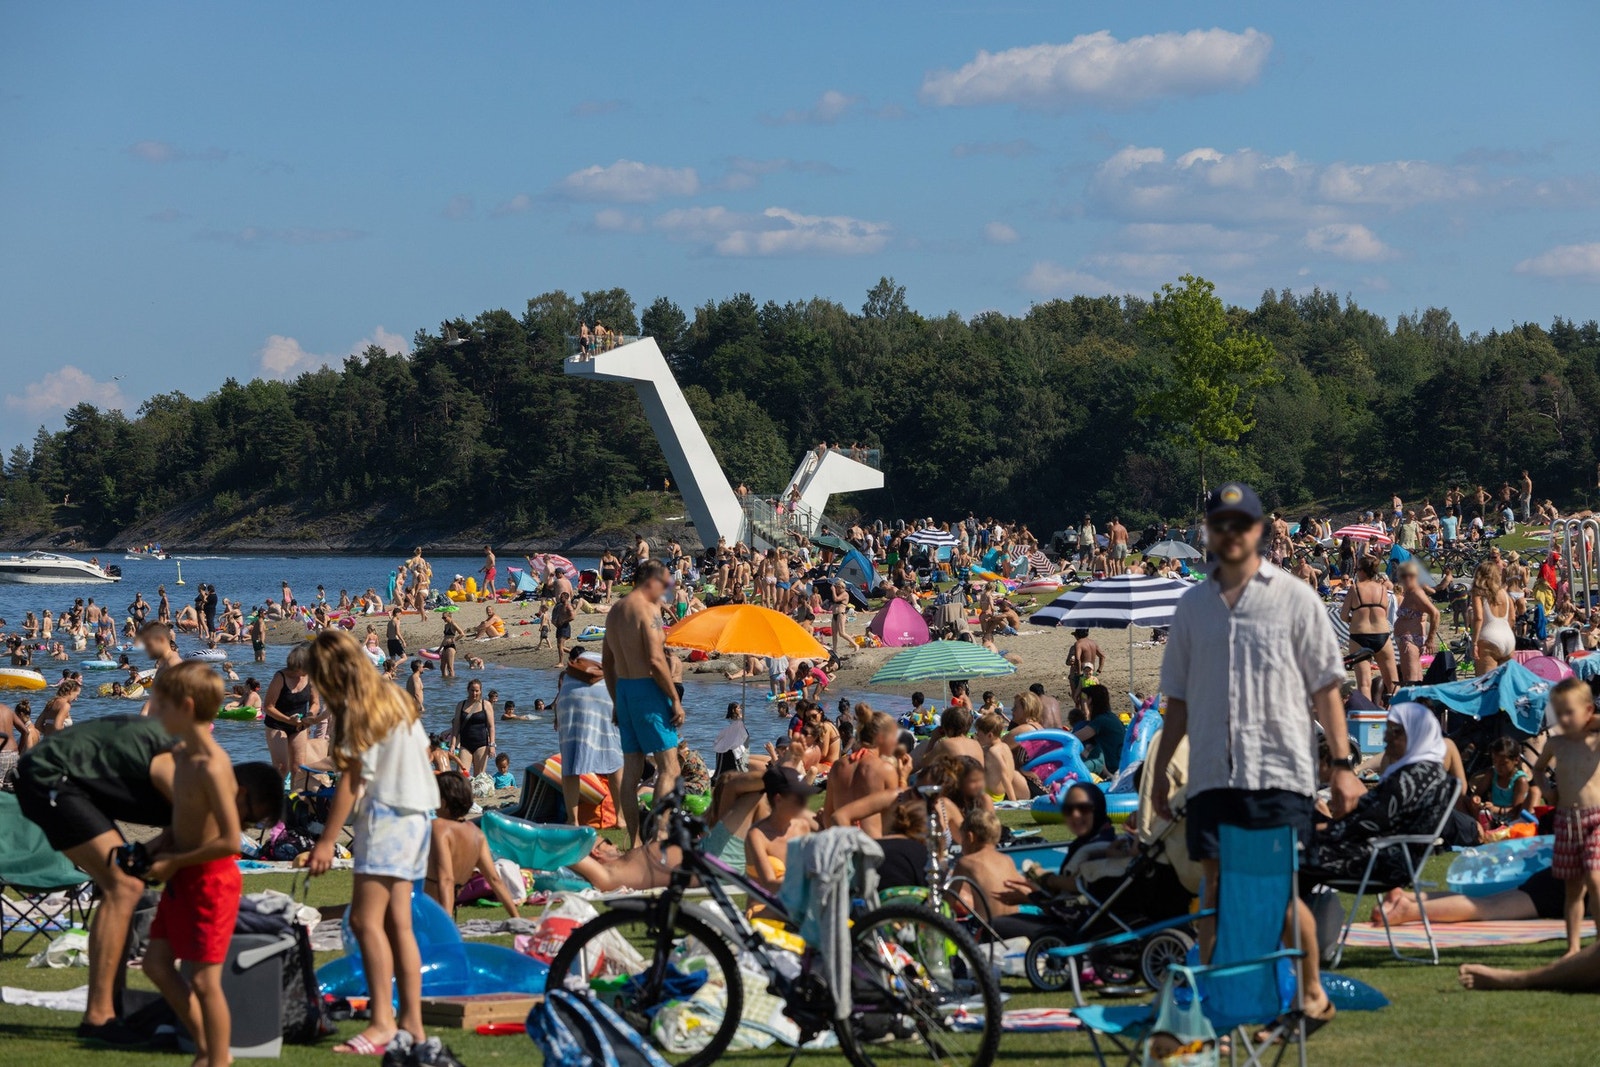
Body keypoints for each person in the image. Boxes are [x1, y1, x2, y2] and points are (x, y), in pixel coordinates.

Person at [1150, 482, 1358, 1036]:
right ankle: (1221, 1009)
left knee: (1277, 894)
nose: (1231, 534)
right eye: (1221, 524)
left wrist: (1342, 768)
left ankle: (1311, 997)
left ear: (1259, 530)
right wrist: (1160, 774)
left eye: (1241, 524)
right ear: (1209, 532)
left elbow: (1327, 689)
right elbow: (1177, 702)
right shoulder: (1192, 606)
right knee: (1215, 893)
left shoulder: (1295, 597)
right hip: (1212, 774)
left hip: (1277, 772)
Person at [14, 717, 281, 1042]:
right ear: (240, 792)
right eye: (249, 817)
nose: (242, 826)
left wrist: (148, 857)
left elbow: (172, 834)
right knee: (124, 886)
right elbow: (174, 807)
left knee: (125, 883)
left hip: (77, 785)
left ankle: (115, 1005)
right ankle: (99, 1016)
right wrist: (167, 864)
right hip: (49, 774)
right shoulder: (190, 776)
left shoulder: (196, 794)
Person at [307, 630, 442, 1059]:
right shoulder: (395, 697)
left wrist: (327, 841)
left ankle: (383, 1021)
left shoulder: (357, 706)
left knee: (366, 921)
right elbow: (422, 754)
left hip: (386, 816)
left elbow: (351, 779)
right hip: (419, 815)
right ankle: (412, 1025)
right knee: (399, 924)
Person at [140, 663, 242, 1067]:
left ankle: (217, 1059)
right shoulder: (181, 756)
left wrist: (173, 862)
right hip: (181, 875)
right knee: (155, 964)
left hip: (212, 880)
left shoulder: (211, 765)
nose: (154, 712)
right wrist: (152, 849)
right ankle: (206, 1048)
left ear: (185, 706)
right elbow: (182, 822)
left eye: (161, 705)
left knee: (203, 980)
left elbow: (231, 840)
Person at [1302, 703, 1455, 889]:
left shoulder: (1410, 779)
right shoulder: (1427, 774)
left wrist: (1320, 829)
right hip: (1390, 858)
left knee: (1291, 857)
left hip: (1379, 863)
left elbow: (1367, 823)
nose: (1386, 736)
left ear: (1415, 732)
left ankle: (1297, 908)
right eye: (1387, 729)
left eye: (1394, 731)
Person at [601, 560, 684, 846]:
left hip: (624, 690)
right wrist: (675, 698)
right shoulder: (648, 610)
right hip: (647, 689)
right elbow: (655, 659)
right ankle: (659, 836)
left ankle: (634, 841)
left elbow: (607, 662)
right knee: (669, 767)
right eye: (665, 583)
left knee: (632, 771)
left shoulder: (615, 610)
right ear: (652, 581)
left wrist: (616, 700)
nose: (666, 589)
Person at [1529, 677, 1600, 957]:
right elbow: (1537, 769)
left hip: (1596, 819)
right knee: (1573, 889)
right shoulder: (1556, 743)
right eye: (1559, 713)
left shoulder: (1595, 740)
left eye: (1570, 712)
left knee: (1595, 879)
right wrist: (1547, 790)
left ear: (1587, 711)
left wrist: (1591, 720)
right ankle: (1573, 947)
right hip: (1568, 820)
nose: (1564, 719)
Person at [427, 772, 520, 919]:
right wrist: (516, 917)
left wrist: (445, 924)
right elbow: (494, 879)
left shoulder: (438, 828)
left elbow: (446, 879)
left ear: (443, 803)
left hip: (427, 908)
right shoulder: (477, 834)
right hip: (448, 907)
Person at [552, 649, 625, 827]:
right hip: (604, 691)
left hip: (570, 695)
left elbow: (560, 692)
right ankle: (621, 818)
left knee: (570, 760)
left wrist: (557, 717)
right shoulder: (618, 658)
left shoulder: (571, 671)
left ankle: (573, 820)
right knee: (614, 757)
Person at [746, 765, 819, 893]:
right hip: (766, 903)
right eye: (799, 799)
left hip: (798, 901)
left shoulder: (803, 826)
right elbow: (769, 884)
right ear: (778, 799)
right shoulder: (757, 835)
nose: (804, 804)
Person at [262, 642, 322, 788]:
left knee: (298, 768)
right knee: (281, 767)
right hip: (277, 724)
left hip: (299, 725)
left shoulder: (310, 677)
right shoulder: (280, 677)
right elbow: (268, 706)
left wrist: (310, 715)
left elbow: (315, 703)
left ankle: (295, 797)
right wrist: (288, 720)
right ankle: (275, 796)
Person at [1342, 556, 1397, 705]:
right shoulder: (1382, 589)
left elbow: (1343, 615)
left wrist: (1354, 619)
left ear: (1363, 571)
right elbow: (1384, 613)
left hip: (1359, 636)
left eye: (1357, 570)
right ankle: (1397, 712)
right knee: (1392, 683)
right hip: (1382, 635)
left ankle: (1367, 714)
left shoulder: (1355, 588)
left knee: (1364, 684)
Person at [953, 809, 1019, 918]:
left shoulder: (965, 862)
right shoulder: (1007, 860)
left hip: (988, 926)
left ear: (970, 837)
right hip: (1015, 921)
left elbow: (949, 902)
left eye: (962, 839)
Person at [1394, 561, 1440, 685]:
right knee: (1412, 676)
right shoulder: (1409, 592)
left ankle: (1414, 697)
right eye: (1403, 576)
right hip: (1407, 639)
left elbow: (1435, 613)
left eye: (1409, 575)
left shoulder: (1416, 592)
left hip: (1410, 640)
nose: (1406, 579)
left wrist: (1430, 640)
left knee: (1411, 678)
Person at [1471, 560, 1515, 676]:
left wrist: (1474, 642)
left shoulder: (1478, 593)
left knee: (1485, 682)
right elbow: (1512, 618)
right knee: (1504, 682)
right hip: (1508, 638)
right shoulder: (1505, 594)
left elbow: (1478, 618)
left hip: (1489, 638)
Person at [1074, 684, 1127, 778]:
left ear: (1091, 700)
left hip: (1112, 768)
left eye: (1086, 699)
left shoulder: (1100, 721)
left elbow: (1074, 738)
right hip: (1121, 764)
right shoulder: (1111, 716)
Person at [450, 679, 495, 777]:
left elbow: (491, 727)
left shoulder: (486, 705)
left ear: (480, 691)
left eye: (477, 691)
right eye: (472, 690)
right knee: (461, 775)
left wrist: (492, 745)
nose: (474, 693)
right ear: (468, 690)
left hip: (481, 744)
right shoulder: (461, 705)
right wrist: (453, 745)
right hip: (465, 745)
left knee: (479, 777)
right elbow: (456, 727)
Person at [438, 613, 463, 678]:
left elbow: (462, 634)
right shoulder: (446, 626)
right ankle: (445, 681)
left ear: (449, 617)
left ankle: (452, 682)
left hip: (451, 647)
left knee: (450, 667)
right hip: (445, 647)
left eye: (444, 617)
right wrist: (439, 649)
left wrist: (453, 640)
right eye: (442, 618)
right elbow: (445, 638)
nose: (443, 619)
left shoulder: (453, 624)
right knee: (442, 667)